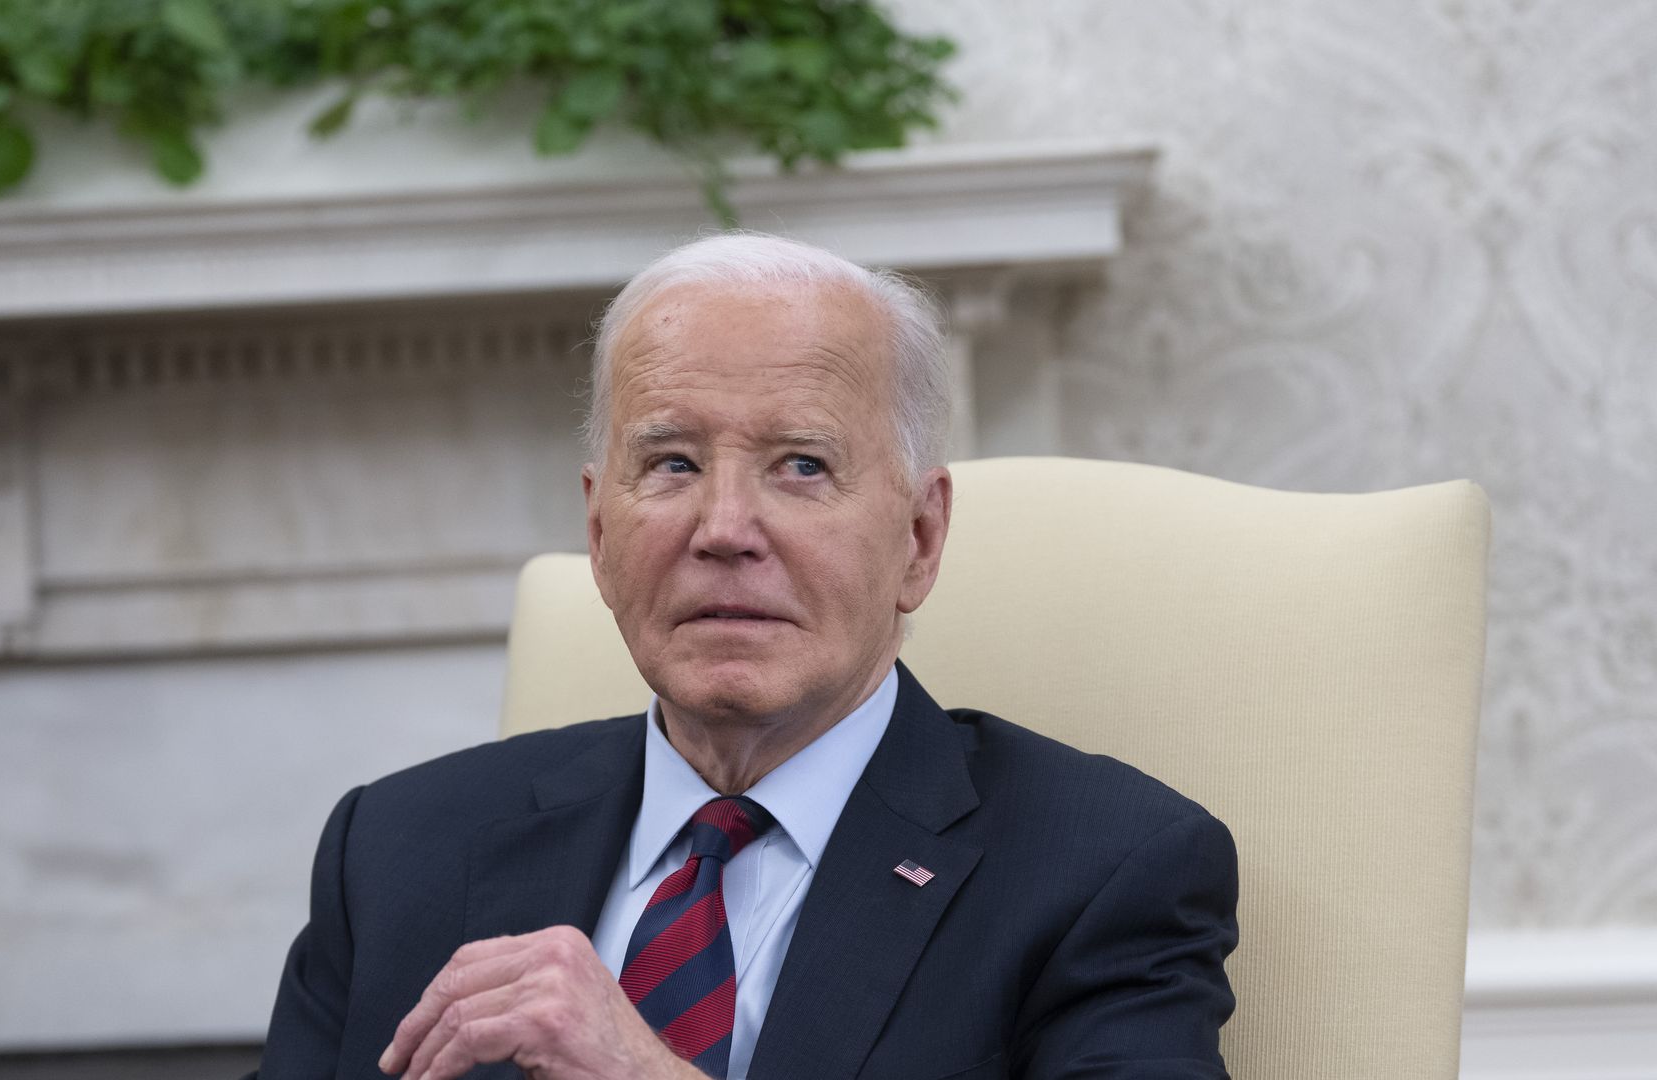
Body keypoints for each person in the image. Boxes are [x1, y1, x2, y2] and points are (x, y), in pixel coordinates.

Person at [252, 233, 1238, 1080]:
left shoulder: (1102, 870)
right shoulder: (394, 849)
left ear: (920, 540)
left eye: (801, 466)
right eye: (672, 464)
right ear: (599, 532)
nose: (725, 529)